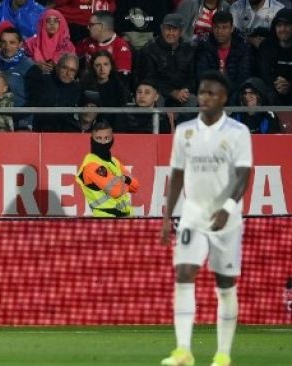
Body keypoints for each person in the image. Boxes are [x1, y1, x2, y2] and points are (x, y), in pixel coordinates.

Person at [159, 70, 252, 366]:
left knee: (225, 284)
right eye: (202, 92)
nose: (204, 97)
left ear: (224, 98)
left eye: (211, 93)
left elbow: (242, 175)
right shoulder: (185, 131)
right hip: (193, 215)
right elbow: (176, 174)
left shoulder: (237, 132)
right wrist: (167, 215)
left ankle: (223, 354)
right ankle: (183, 350)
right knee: (184, 273)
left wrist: (226, 208)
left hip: (227, 219)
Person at [75, 121, 140, 217]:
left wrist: (125, 179)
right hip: (106, 218)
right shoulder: (91, 164)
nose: (103, 142)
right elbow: (116, 191)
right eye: (98, 138)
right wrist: (126, 181)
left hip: (126, 216)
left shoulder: (114, 161)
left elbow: (136, 186)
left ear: (112, 139)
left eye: (107, 138)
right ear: (92, 139)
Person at [195, 10, 254, 100]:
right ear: (212, 28)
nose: (220, 31)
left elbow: (243, 77)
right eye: (216, 27)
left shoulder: (242, 47)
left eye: (224, 27)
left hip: (234, 93)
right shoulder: (205, 46)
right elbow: (201, 75)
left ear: (232, 29)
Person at [30, 53, 82, 132]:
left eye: (72, 70)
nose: (68, 73)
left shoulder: (77, 88)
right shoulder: (43, 81)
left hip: (65, 134)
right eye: (64, 68)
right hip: (40, 131)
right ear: (57, 67)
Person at [78, 10, 133, 82]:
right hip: (86, 87)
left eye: (91, 25)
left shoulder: (121, 47)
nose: (88, 28)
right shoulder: (87, 42)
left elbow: (122, 81)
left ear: (101, 27)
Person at [23, 9, 76, 74]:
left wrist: (56, 65)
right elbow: (22, 62)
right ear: (42, 24)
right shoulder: (31, 43)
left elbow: (72, 67)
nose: (52, 24)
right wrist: (35, 65)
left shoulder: (68, 46)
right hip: (35, 77)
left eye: (56, 21)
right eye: (48, 21)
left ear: (61, 24)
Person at [257, 8, 292, 105]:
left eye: (286, 25)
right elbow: (264, 75)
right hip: (271, 94)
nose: (282, 29)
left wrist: (290, 86)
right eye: (279, 25)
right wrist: (278, 85)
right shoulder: (266, 47)